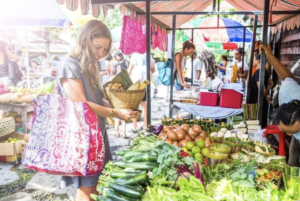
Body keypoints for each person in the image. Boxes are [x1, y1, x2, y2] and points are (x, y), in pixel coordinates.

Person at [57, 20, 138, 201]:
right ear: (84, 40)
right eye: (97, 47)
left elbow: (93, 97)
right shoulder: (69, 64)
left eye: (105, 49)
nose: (101, 53)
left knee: (97, 185)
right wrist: (116, 114)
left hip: (97, 135)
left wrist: (109, 103)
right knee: (87, 190)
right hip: (82, 138)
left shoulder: (92, 65)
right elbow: (81, 104)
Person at [247, 41, 274, 127]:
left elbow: (262, 90)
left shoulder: (259, 72)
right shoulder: (263, 71)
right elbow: (271, 83)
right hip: (259, 104)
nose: (251, 60)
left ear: (258, 59)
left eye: (253, 58)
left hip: (257, 106)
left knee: (256, 127)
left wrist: (265, 95)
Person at [128, 53, 155, 130]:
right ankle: (145, 124)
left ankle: (135, 126)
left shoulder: (135, 55)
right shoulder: (149, 55)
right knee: (144, 104)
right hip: (145, 84)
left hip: (135, 84)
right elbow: (153, 70)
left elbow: (129, 71)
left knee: (134, 105)